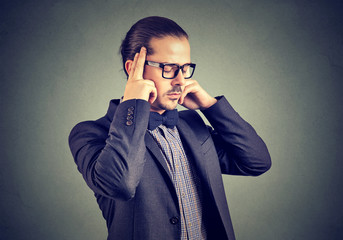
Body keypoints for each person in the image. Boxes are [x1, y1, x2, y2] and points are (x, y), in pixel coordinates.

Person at [69, 16, 271, 240]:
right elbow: (120, 185)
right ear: (132, 68)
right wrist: (133, 102)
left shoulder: (194, 126)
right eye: (169, 68)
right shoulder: (89, 134)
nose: (180, 80)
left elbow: (257, 162)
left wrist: (210, 106)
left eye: (185, 68)